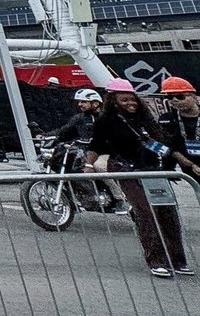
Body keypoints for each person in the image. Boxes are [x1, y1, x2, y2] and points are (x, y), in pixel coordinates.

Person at [86, 78, 193, 277]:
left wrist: (183, 160)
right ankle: (156, 260)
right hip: (126, 168)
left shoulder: (144, 116)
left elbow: (160, 141)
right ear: (113, 100)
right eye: (124, 100)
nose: (130, 103)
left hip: (151, 167)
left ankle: (178, 260)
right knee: (146, 212)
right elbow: (96, 145)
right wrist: (88, 165)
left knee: (168, 213)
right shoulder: (105, 120)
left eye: (132, 99)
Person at [52, 87, 127, 212]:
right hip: (86, 152)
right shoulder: (79, 118)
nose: (80, 104)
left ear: (95, 103)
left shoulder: (105, 117)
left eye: (84, 102)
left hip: (107, 153)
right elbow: (63, 131)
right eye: (79, 102)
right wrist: (43, 136)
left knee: (99, 167)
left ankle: (120, 199)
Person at [163, 77, 200, 142]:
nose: (175, 100)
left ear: (194, 96)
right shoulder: (167, 118)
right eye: (170, 97)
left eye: (180, 96)